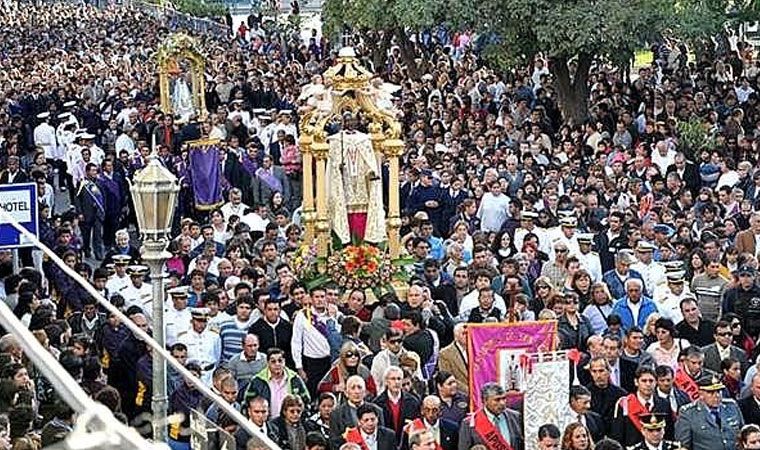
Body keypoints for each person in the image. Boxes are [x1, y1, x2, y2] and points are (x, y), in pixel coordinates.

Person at [327, 112, 386, 244]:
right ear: (343, 123)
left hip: (361, 182)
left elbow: (369, 160)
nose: (351, 124)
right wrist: (338, 168)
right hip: (344, 182)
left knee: (362, 213)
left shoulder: (364, 139)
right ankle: (345, 241)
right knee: (344, 211)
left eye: (353, 121)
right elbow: (332, 165)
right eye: (348, 121)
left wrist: (371, 171)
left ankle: (364, 242)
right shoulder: (336, 140)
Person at [675, 375, 745, 450]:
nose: (716, 396)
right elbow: (683, 446)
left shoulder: (731, 406)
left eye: (718, 391)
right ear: (701, 394)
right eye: (711, 392)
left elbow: (743, 435)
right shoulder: (688, 413)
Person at [611, 366, 674, 446]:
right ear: (636, 382)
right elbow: (617, 437)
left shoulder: (664, 403)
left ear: (656, 383)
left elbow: (669, 434)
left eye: (651, 381)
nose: (648, 384)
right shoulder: (625, 404)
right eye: (644, 381)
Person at [242, 347, 310, 419]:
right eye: (273, 361)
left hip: (289, 424)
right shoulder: (257, 381)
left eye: (280, 361)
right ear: (268, 363)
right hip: (266, 423)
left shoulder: (295, 379)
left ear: (284, 362)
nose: (277, 364)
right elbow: (247, 403)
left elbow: (306, 401)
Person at [458, 382, 524, 450]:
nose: (502, 403)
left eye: (504, 398)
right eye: (497, 400)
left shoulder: (515, 417)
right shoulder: (469, 423)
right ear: (484, 401)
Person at [372, 366, 420, 444]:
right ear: (386, 381)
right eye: (393, 379)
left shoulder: (413, 401)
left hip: (406, 444)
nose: (396, 382)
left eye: (399, 379)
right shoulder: (377, 403)